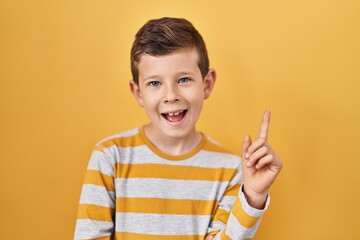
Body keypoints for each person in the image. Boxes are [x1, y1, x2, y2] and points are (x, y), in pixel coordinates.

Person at [74, 17, 283, 240]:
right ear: (138, 93)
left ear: (207, 84)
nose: (171, 96)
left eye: (183, 79)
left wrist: (252, 196)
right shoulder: (109, 157)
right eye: (155, 83)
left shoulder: (231, 170)